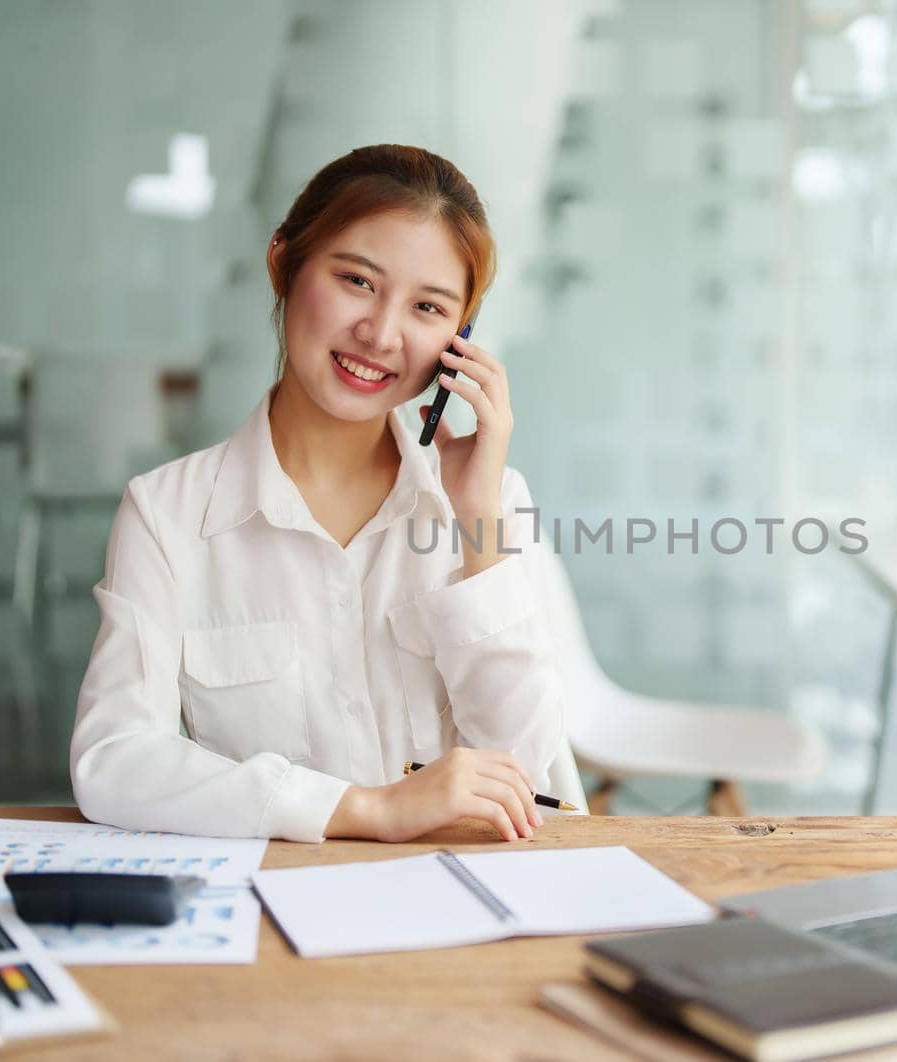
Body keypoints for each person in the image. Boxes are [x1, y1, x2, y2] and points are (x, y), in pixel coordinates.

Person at [71, 145, 563, 843]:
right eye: (358, 281)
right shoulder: (168, 513)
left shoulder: (489, 502)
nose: (382, 334)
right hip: (267, 911)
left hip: (454, 903)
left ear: (459, 340)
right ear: (283, 263)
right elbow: (113, 760)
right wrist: (369, 808)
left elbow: (526, 778)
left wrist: (478, 519)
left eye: (428, 306)